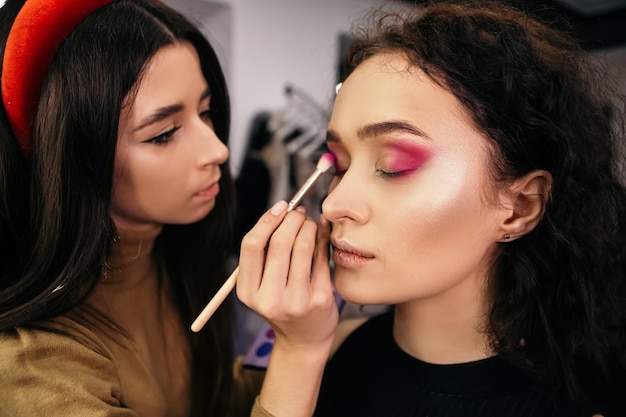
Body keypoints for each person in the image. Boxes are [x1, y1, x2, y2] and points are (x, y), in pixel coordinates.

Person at [235, 1, 626, 416]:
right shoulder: (330, 351)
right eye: (340, 165)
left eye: (393, 167)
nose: (332, 204)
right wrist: (299, 352)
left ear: (518, 207)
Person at [0, 0, 266, 416]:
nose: (217, 150)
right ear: (76, 157)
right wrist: (300, 353)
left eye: (206, 111)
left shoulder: (172, 259)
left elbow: (216, 402)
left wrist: (301, 336)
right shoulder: (34, 366)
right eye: (164, 133)